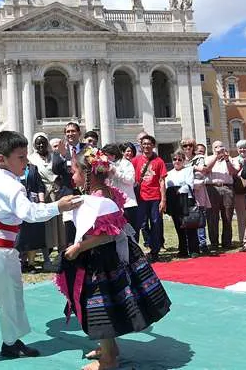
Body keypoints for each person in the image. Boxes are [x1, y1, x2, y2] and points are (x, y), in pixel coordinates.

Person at [0, 129, 80, 364]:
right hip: (0, 247)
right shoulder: (12, 186)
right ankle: (11, 342)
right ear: (2, 159)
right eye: (21, 157)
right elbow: (30, 213)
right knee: (10, 295)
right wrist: (58, 207)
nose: (26, 161)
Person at [55, 147, 171, 370]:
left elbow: (108, 234)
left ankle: (108, 360)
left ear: (87, 174)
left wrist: (78, 247)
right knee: (106, 305)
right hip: (109, 256)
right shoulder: (106, 193)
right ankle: (109, 348)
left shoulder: (99, 199)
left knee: (99, 307)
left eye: (75, 171)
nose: (72, 175)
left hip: (103, 260)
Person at [28, 132, 65, 263]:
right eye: (38, 143)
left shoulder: (54, 157)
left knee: (60, 227)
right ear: (34, 145)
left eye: (43, 142)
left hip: (57, 194)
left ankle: (62, 256)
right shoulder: (31, 159)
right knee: (44, 229)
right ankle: (46, 259)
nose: (41, 145)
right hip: (42, 196)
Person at [131, 134, 167, 262]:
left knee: (156, 223)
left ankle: (155, 250)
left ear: (153, 146)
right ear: (141, 146)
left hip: (155, 197)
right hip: (140, 197)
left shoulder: (159, 161)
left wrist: (163, 200)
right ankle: (134, 252)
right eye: (144, 144)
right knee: (138, 224)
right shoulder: (135, 161)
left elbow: (162, 181)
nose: (146, 146)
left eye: (149, 144)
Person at [166, 150, 201, 258]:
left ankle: (194, 249)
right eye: (174, 159)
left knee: (190, 225)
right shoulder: (169, 173)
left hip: (186, 200)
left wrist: (178, 190)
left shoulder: (188, 170)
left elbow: (189, 184)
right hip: (174, 201)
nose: (177, 161)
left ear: (184, 161)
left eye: (179, 159)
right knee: (178, 227)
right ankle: (183, 250)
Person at [204, 141, 237, 249]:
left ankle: (227, 242)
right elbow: (207, 169)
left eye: (221, 146)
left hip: (227, 187)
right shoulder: (208, 158)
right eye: (216, 147)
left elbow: (233, 172)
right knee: (212, 217)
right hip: (212, 188)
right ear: (213, 149)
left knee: (227, 216)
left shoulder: (230, 159)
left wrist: (227, 159)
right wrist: (216, 156)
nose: (219, 149)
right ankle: (214, 243)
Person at [102, 144, 138, 243]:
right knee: (118, 235)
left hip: (128, 204)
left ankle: (135, 255)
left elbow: (130, 180)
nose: (104, 157)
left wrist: (115, 172)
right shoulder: (105, 166)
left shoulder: (126, 164)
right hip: (114, 206)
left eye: (106, 155)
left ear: (113, 155)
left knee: (131, 234)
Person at [16, 162, 47, 273]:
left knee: (33, 235)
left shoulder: (33, 168)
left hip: (32, 205)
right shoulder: (11, 168)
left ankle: (31, 264)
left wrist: (42, 202)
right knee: (19, 236)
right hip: (17, 206)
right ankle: (19, 262)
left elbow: (40, 187)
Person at [232, 140, 246, 245]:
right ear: (237, 149)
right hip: (239, 190)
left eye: (244, 147)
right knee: (241, 215)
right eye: (240, 148)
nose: (242, 150)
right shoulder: (233, 160)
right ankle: (242, 237)